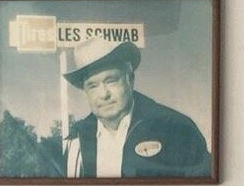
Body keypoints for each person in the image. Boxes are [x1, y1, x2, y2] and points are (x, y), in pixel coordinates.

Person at [63, 38, 212, 178]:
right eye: (93, 86)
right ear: (85, 92)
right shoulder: (76, 139)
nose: (104, 94)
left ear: (130, 79)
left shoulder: (175, 129)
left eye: (111, 81)